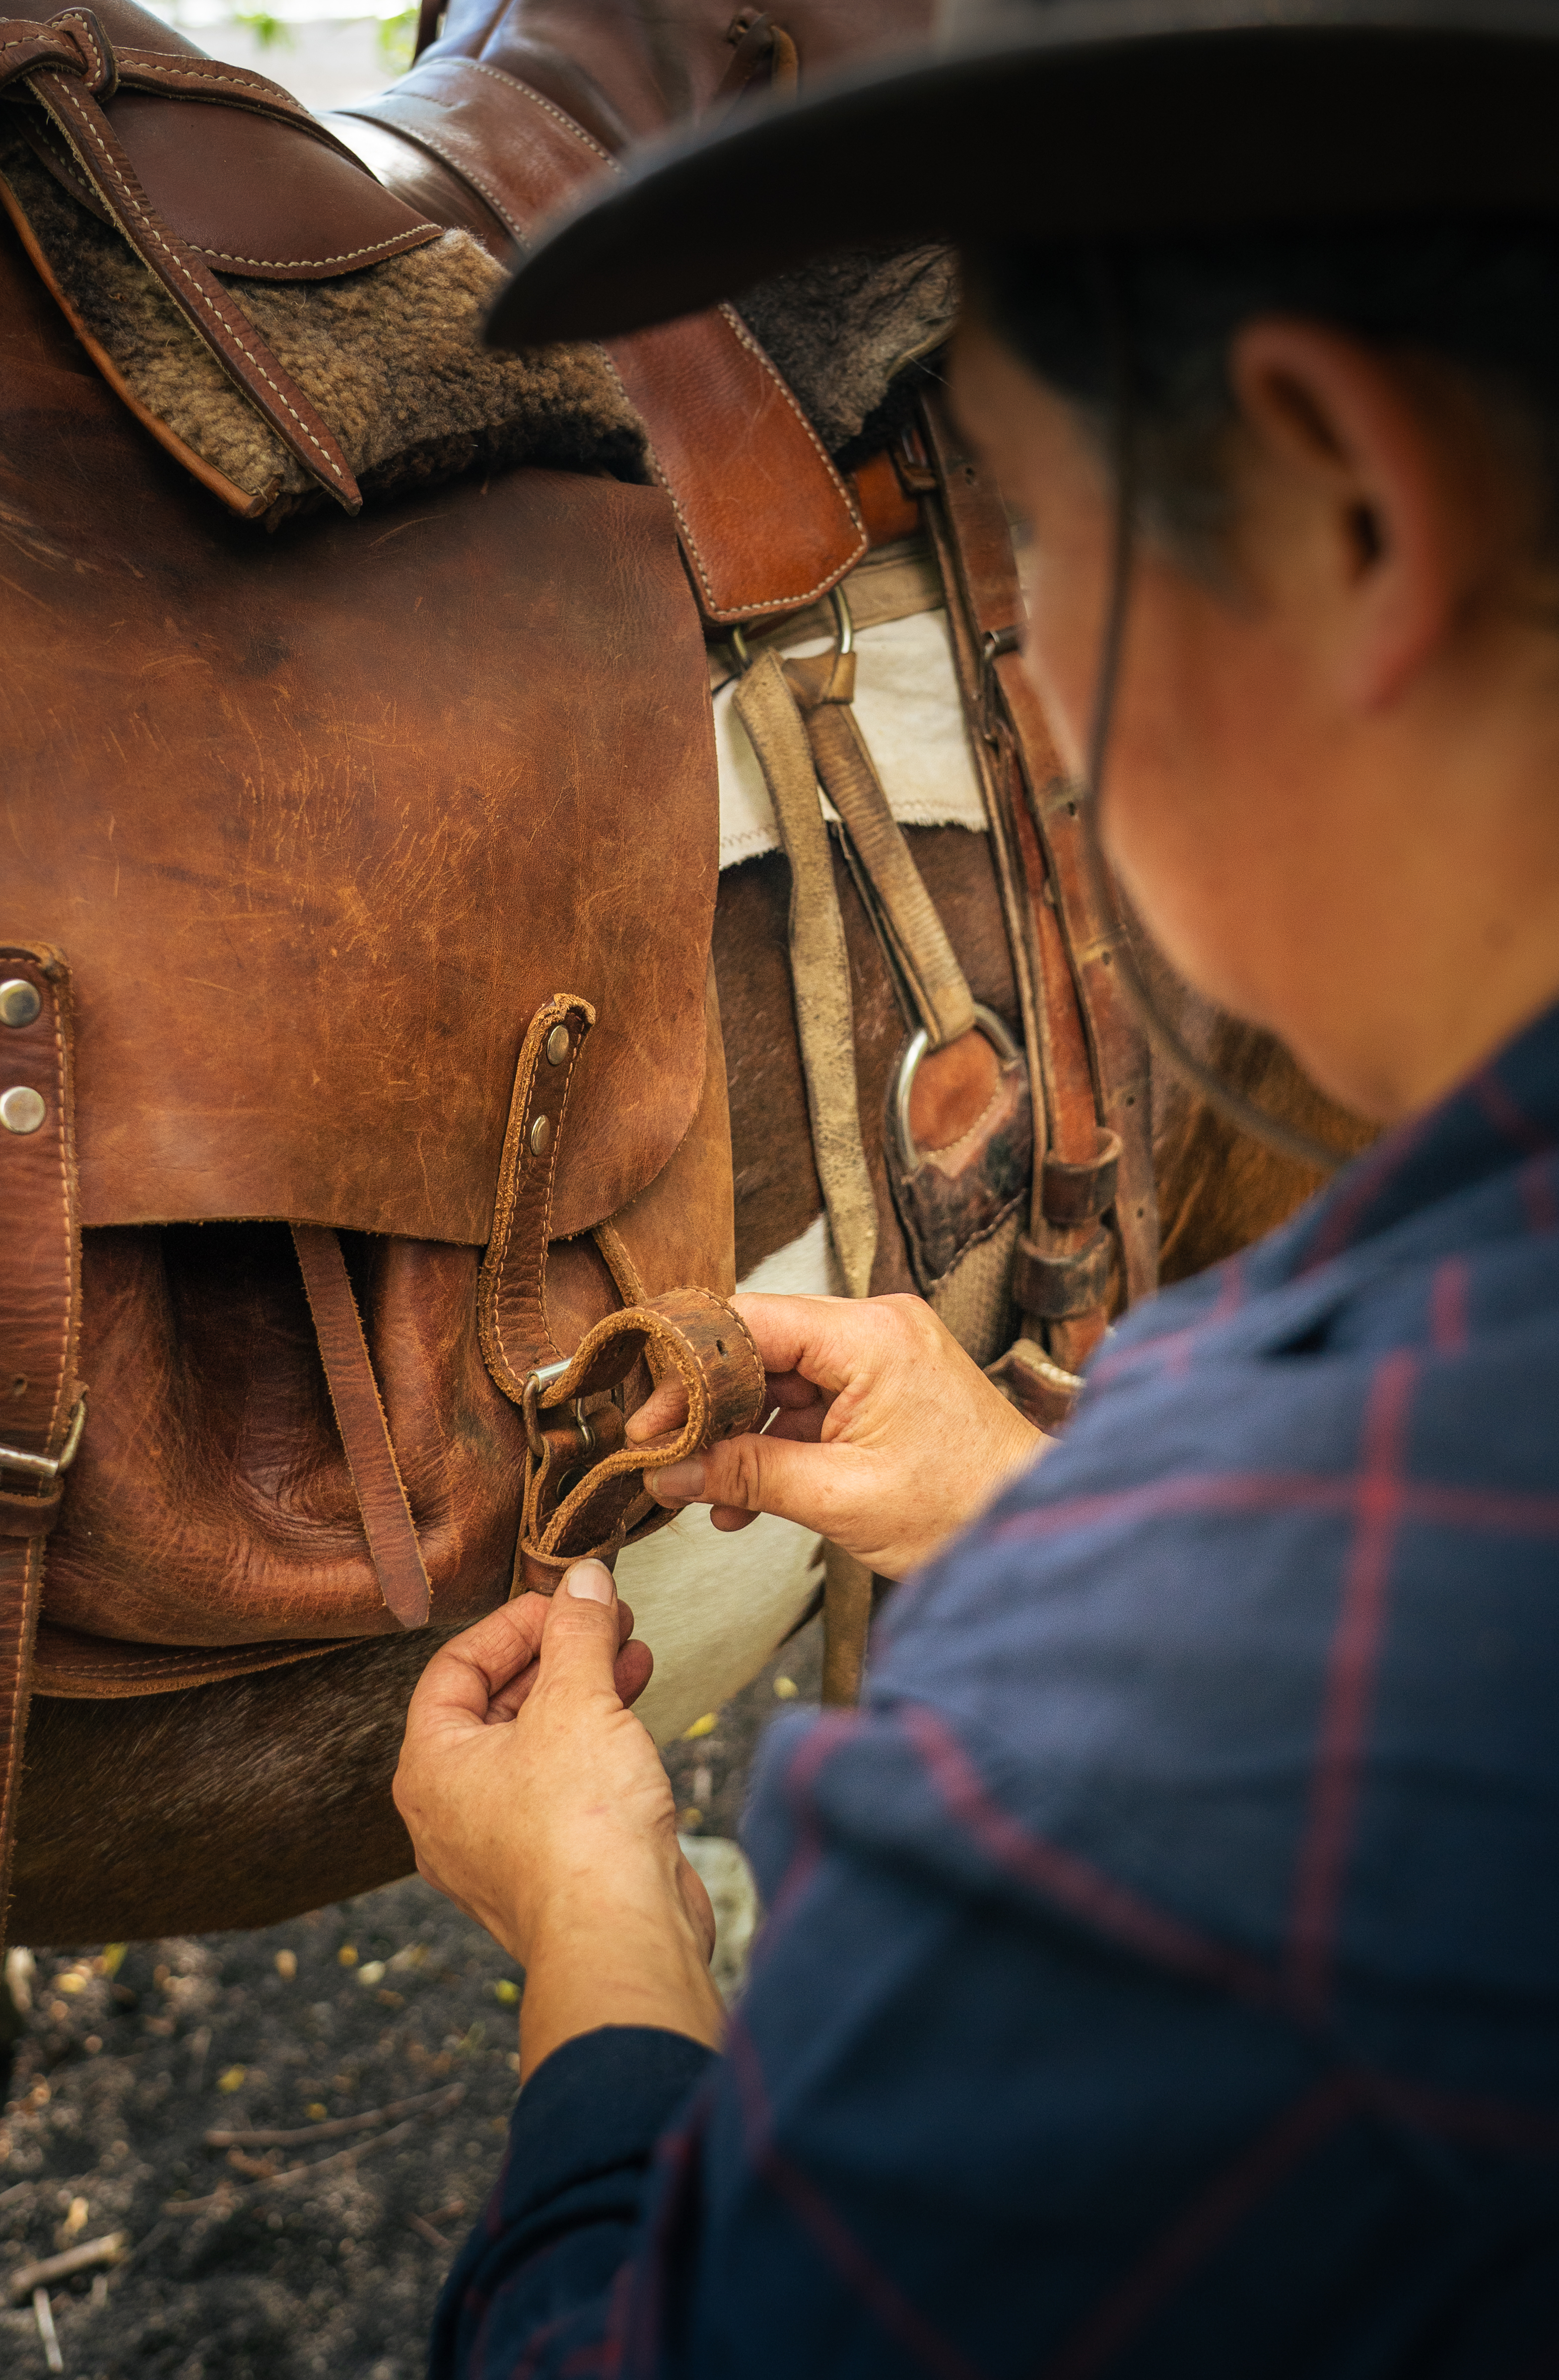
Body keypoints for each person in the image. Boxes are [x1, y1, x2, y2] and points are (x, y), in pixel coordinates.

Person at [394, 3, 1559, 2369]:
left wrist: (605, 1931)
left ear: (1346, 503)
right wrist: (1035, 1511)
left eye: (1032, 528)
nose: (1036, 673)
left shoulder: (1121, 1768)